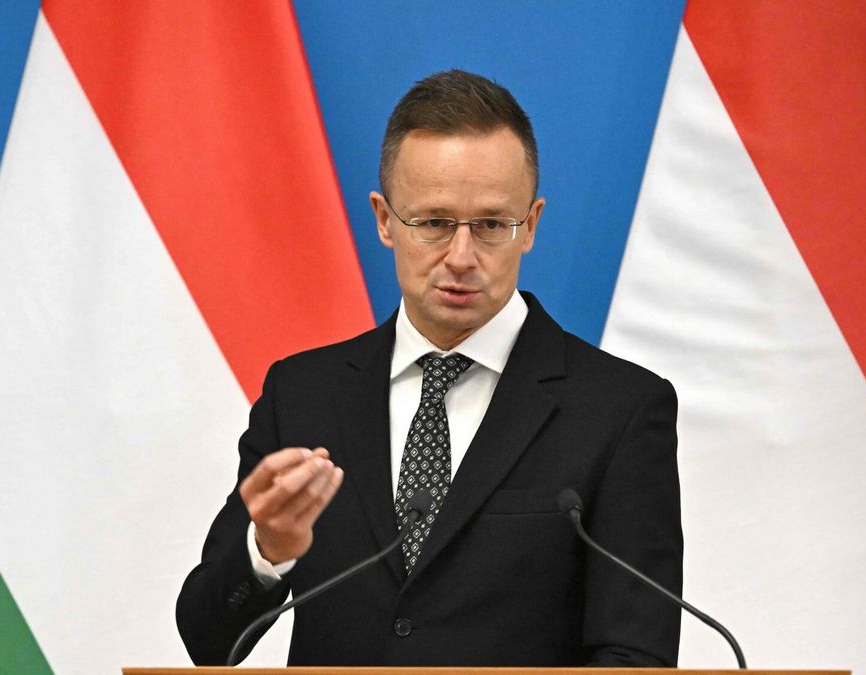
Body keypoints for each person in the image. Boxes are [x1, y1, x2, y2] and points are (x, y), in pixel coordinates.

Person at [176, 69, 682, 667]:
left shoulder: (619, 409)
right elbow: (207, 643)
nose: (462, 257)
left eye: (492, 224)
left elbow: (636, 654)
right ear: (386, 221)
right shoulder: (303, 394)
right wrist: (270, 549)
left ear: (532, 225)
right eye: (435, 223)